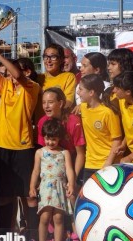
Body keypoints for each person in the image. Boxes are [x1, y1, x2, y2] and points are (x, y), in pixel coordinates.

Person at [0, 35, 40, 239]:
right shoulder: (3, 84)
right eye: (6, 72)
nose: (8, 74)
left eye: (10, 71)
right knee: (5, 196)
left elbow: (18, 74)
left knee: (29, 196)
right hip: (2, 147)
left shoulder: (31, 87)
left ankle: (32, 232)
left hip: (23, 147)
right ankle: (6, 234)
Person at [37, 87, 85, 240]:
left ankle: (76, 232)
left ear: (61, 103)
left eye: (50, 102)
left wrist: (73, 181)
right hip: (52, 171)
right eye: (44, 102)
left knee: (72, 198)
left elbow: (80, 154)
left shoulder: (73, 122)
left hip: (72, 165)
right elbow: (43, 154)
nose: (46, 106)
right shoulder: (42, 122)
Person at [29, 118, 75, 241]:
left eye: (53, 139)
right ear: (43, 137)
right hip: (45, 188)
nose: (50, 142)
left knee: (59, 218)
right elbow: (35, 171)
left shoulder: (65, 153)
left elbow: (70, 170)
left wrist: (71, 185)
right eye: (47, 139)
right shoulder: (40, 152)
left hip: (60, 188)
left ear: (59, 138)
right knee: (44, 217)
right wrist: (32, 186)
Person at [77, 74, 122, 182]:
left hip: (107, 163)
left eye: (81, 89)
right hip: (89, 163)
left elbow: (117, 140)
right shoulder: (82, 107)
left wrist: (108, 162)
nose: (78, 92)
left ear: (91, 92)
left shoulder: (108, 112)